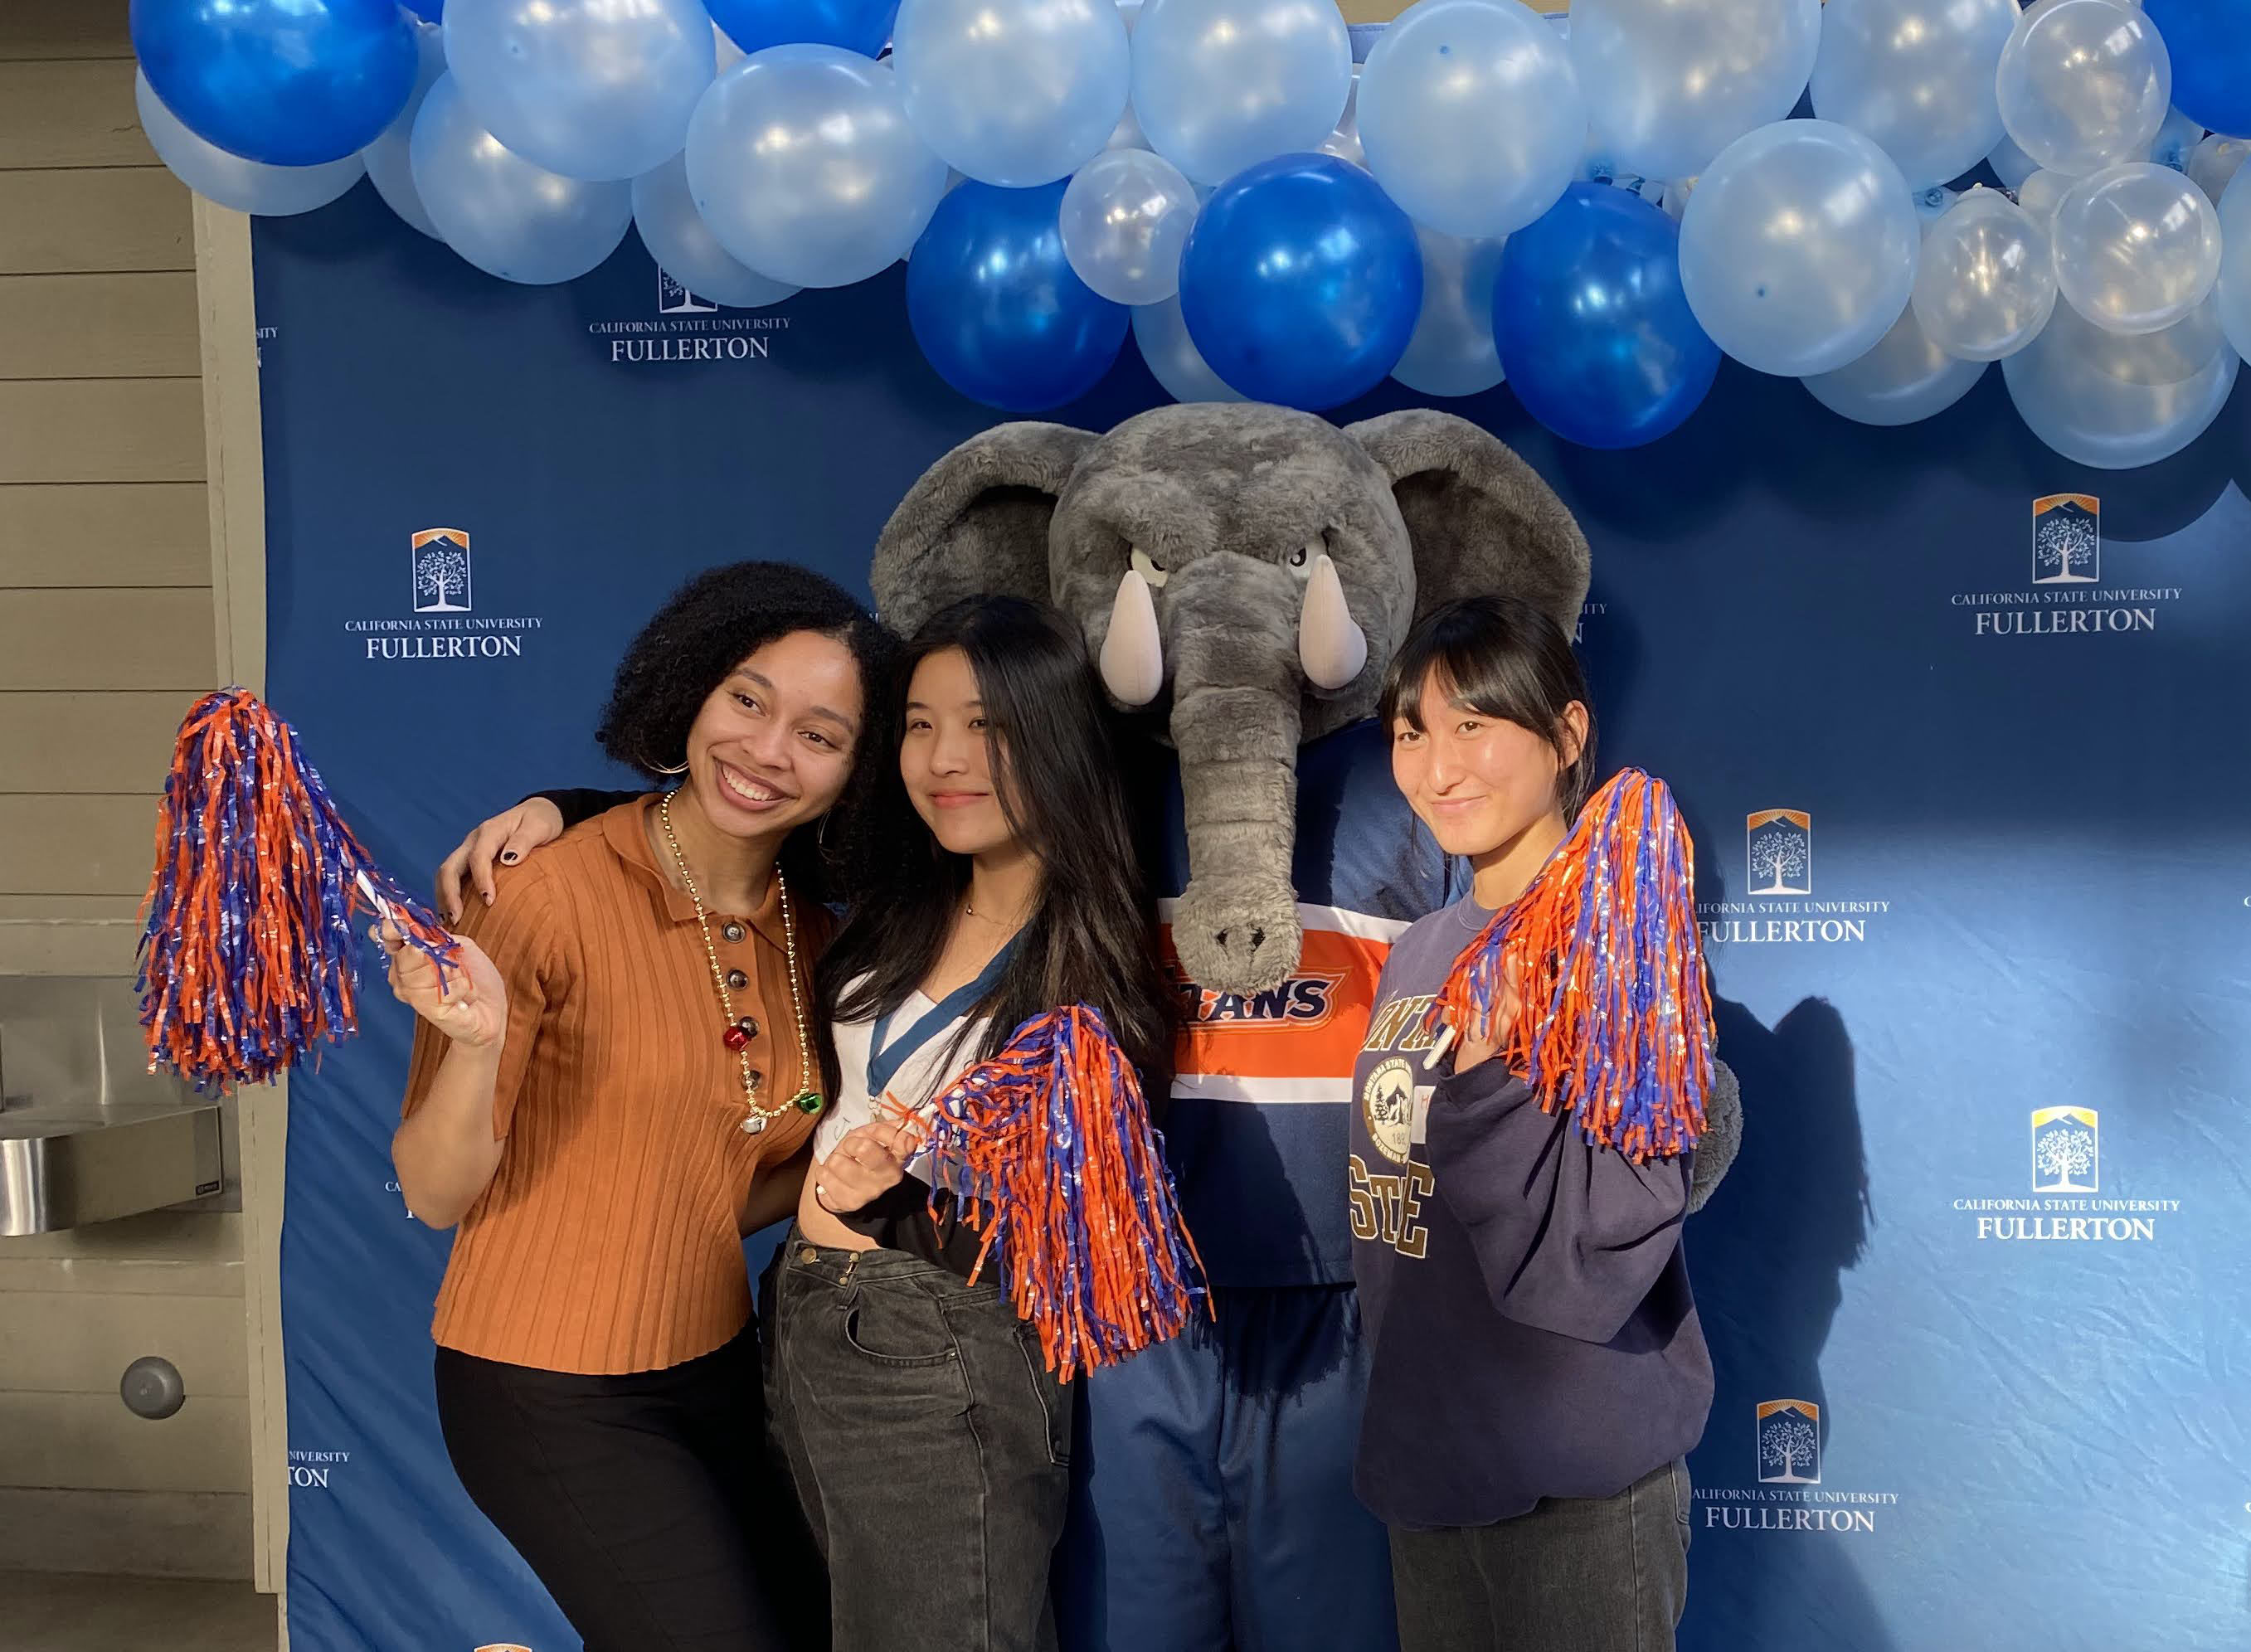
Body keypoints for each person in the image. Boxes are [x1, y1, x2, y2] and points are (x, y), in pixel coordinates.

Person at [385, 561, 891, 1652]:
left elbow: (718, 1185)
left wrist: (876, 1156)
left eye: (819, 733)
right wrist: (474, 1048)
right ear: (693, 691)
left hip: (713, 1367)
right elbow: (432, 1191)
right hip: (544, 1388)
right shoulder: (540, 894)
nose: (764, 750)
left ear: (856, 775)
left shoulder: (815, 940)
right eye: (746, 699)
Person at [1350, 594, 1714, 1652]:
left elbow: (1606, 1242)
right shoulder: (1420, 950)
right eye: (1412, 731)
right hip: (1430, 1465)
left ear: (1565, 736)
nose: (1437, 765)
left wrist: (1492, 1082)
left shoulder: (1616, 943)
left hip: (1573, 1482)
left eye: (1474, 724)